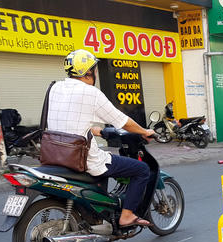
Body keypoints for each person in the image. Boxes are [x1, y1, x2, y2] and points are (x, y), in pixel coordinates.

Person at [48, 49, 155, 227]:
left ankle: (95, 216)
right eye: (95, 69)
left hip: (55, 153)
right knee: (142, 169)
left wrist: (93, 130)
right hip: (82, 158)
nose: (96, 72)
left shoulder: (55, 88)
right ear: (89, 72)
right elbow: (122, 121)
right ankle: (127, 215)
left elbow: (66, 118)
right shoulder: (91, 92)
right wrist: (143, 131)